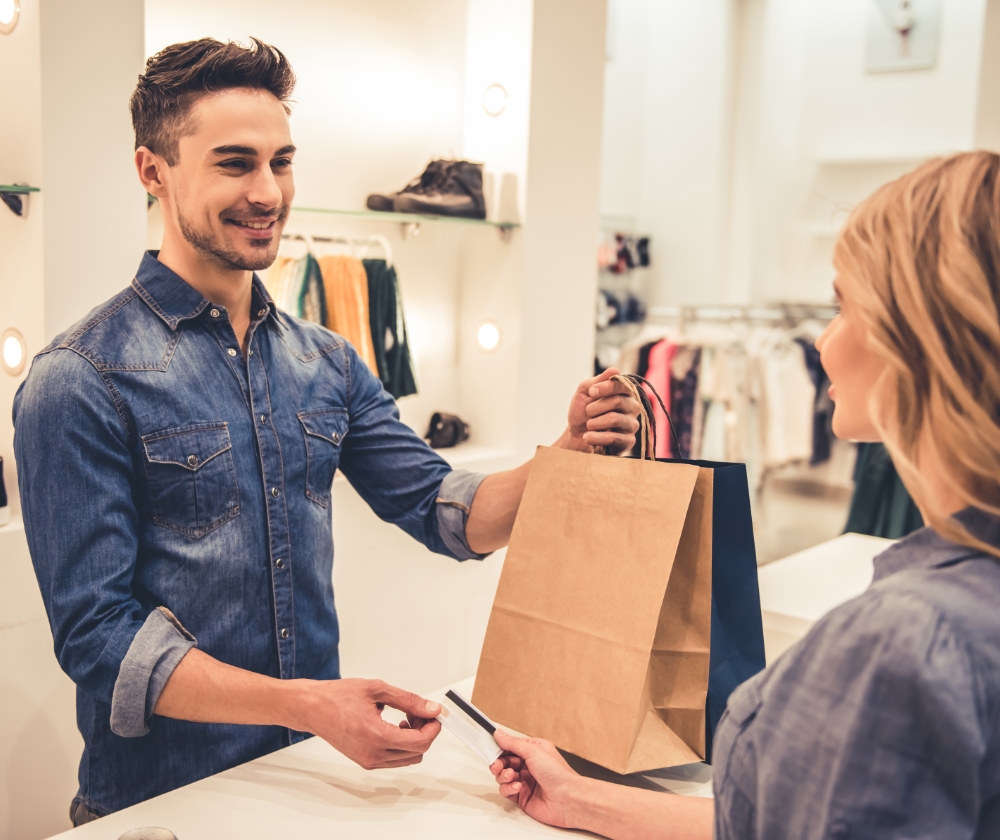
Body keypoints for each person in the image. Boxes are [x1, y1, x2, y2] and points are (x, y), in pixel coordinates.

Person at [11, 38, 642, 824]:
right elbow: (101, 641)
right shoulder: (80, 377)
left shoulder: (325, 362)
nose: (268, 192)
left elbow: (446, 511)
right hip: (160, 805)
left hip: (310, 786)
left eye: (281, 162)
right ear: (153, 171)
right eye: (235, 163)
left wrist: (568, 457)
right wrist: (312, 705)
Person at [490, 151, 1000, 838]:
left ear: (918, 337)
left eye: (844, 306)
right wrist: (583, 801)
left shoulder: (910, 640)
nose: (822, 340)